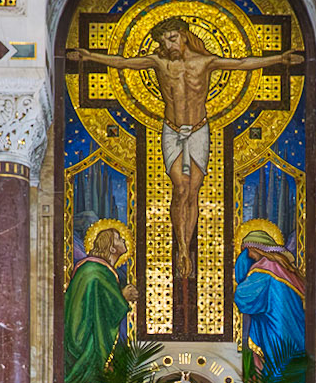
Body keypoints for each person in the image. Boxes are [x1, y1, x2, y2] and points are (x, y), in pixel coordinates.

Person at [65, 18, 302, 275]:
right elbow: (123, 62)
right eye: (164, 40)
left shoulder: (205, 62)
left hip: (199, 129)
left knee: (193, 190)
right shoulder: (160, 63)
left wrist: (280, 59)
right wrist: (89, 56)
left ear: (184, 36)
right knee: (180, 187)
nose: (168, 44)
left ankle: (188, 246)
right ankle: (180, 246)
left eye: (173, 37)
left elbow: (243, 64)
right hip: (172, 130)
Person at [62, 221, 136, 383]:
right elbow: (94, 305)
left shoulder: (102, 270)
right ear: (111, 248)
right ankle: (91, 376)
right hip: (82, 337)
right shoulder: (93, 270)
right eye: (119, 238)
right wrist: (122, 296)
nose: (124, 241)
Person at [233, 224, 306, 383]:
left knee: (278, 361)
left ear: (258, 248)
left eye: (249, 250)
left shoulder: (264, 270)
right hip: (295, 326)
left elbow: (243, 298)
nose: (249, 255)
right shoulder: (285, 269)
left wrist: (241, 266)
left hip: (277, 325)